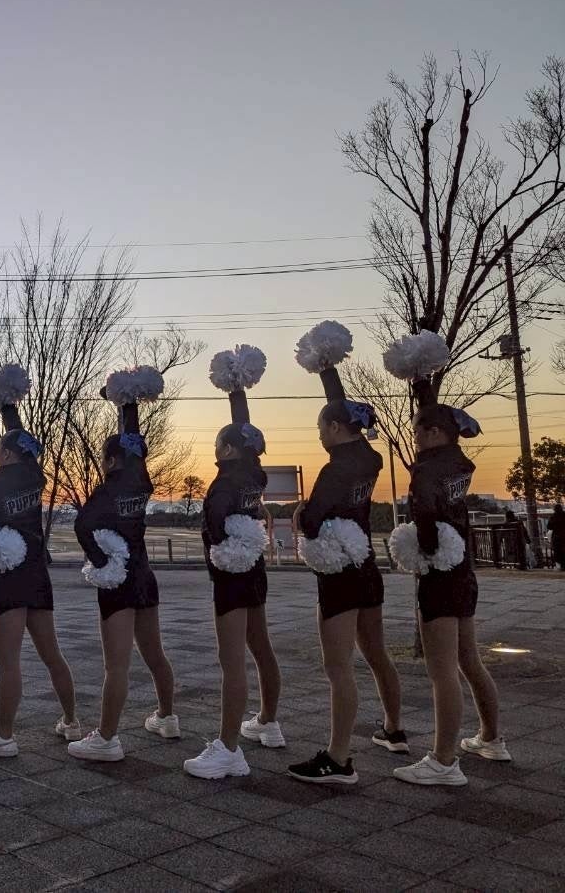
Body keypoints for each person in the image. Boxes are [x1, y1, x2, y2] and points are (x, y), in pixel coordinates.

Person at [383, 331, 508, 786]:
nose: (413, 435)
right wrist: (421, 382)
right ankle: (491, 738)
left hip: (439, 572)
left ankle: (442, 760)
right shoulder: (458, 462)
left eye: (418, 429)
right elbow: (434, 414)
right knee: (469, 659)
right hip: (464, 572)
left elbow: (425, 518)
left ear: (434, 433)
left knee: (442, 672)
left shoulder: (426, 471)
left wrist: (420, 551)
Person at [287, 322, 404, 786]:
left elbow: (313, 521)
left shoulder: (334, 468)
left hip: (338, 574)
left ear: (336, 428)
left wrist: (300, 514)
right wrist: (328, 373)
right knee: (376, 653)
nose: (319, 435)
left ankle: (337, 759)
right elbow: (345, 414)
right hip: (367, 566)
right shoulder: (371, 459)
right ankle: (394, 729)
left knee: (338, 667)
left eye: (321, 428)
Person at [0, 363, 78, 758]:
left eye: (0, 450)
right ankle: (72, 721)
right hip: (39, 576)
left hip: (11, 580)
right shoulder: (35, 479)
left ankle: (5, 736)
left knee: (9, 663)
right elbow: (23, 444)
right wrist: (9, 408)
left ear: (7, 455)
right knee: (52, 654)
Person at [68, 368, 179, 763]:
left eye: (103, 458)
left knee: (116, 666)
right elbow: (133, 446)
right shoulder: (141, 483)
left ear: (111, 460)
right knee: (155, 653)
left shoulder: (105, 492)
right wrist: (127, 405)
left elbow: (82, 527)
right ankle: (167, 716)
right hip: (145, 577)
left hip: (119, 583)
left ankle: (106, 738)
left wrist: (101, 562)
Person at [184, 344, 284, 779]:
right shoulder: (254, 475)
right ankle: (269, 722)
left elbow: (215, 529)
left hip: (231, 577)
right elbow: (245, 432)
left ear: (226, 449)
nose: (214, 448)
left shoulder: (223, 485)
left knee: (232, 662)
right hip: (255, 571)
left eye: (217, 443)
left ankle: (227, 748)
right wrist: (237, 393)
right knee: (261, 648)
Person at [549, 504, 565, 571]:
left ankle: (561, 565)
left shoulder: (553, 517)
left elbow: (549, 527)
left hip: (557, 536)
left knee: (558, 551)